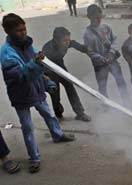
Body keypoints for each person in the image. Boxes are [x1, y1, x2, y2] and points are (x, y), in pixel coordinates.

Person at [0, 13, 75, 173]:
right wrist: (36, 63)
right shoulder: (6, 54)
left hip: (37, 90)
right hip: (21, 94)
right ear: (9, 32)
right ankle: (34, 157)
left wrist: (47, 81)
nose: (23, 33)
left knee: (49, 115)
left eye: (24, 29)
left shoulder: (28, 45)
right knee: (27, 127)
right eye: (19, 31)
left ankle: (57, 135)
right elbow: (22, 76)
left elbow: (40, 67)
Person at [43, 27, 91, 122]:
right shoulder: (47, 49)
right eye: (65, 41)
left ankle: (80, 113)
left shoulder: (66, 42)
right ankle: (59, 114)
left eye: (68, 40)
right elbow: (43, 63)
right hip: (50, 70)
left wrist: (86, 50)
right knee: (55, 93)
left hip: (61, 67)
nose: (67, 43)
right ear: (56, 40)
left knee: (70, 87)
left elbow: (74, 44)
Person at [83, 4, 129, 104]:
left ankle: (127, 102)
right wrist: (101, 58)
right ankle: (106, 105)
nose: (99, 20)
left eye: (100, 17)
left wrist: (111, 53)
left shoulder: (107, 27)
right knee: (102, 86)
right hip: (99, 64)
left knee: (120, 81)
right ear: (89, 17)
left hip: (112, 60)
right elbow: (89, 51)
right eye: (96, 18)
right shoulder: (87, 34)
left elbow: (115, 40)